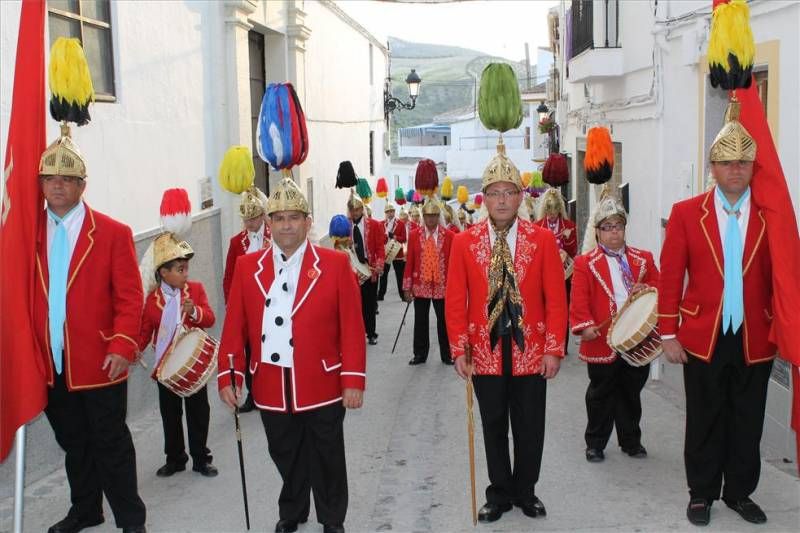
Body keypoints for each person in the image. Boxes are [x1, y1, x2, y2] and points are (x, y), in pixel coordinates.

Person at [218, 178, 366, 533]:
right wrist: (230, 374)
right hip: (270, 380)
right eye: (279, 218)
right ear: (269, 224)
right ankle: (294, 508)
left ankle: (332, 517)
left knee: (327, 453)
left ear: (307, 221)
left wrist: (353, 380)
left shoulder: (333, 264)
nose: (286, 225)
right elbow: (234, 326)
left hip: (322, 380)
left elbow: (351, 326)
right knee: (284, 451)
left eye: (293, 217)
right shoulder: (246, 267)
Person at [659, 101, 776, 527]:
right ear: (712, 166)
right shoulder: (687, 214)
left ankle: (740, 492)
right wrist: (668, 333)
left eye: (743, 161)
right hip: (703, 331)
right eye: (727, 162)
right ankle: (701, 493)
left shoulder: (771, 214)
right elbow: (670, 277)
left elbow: (784, 276)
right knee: (705, 417)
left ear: (753, 165)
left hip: (755, 333)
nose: (735, 169)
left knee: (747, 418)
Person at [33, 125, 147, 532]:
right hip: (49, 361)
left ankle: (131, 520)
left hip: (100, 359)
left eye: (66, 179)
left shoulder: (114, 233)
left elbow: (131, 297)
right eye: (49, 178)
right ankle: (86, 510)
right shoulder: (25, 234)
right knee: (74, 444)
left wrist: (122, 343)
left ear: (83, 185)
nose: (57, 186)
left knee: (110, 443)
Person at [446, 147, 567, 523]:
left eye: (508, 192)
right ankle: (498, 493)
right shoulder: (464, 243)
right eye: (494, 193)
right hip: (485, 351)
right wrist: (458, 349)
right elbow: (454, 299)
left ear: (520, 196)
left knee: (530, 426)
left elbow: (555, 298)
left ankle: (525, 490)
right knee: (493, 424)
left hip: (531, 349)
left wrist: (554, 349)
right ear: (485, 198)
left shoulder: (543, 240)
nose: (501, 200)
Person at [569, 190, 658, 463]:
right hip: (602, 339)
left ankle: (631, 441)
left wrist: (649, 288)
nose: (613, 233)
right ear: (597, 232)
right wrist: (584, 326)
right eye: (607, 228)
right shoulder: (585, 263)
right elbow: (579, 298)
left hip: (636, 338)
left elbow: (662, 287)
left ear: (624, 228)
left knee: (630, 392)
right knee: (601, 394)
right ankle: (595, 443)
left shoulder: (643, 259)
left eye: (618, 226)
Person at [138, 232, 218, 478]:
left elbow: (210, 318)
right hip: (166, 367)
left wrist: (194, 312)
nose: (186, 274)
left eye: (186, 269)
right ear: (164, 272)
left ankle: (200, 457)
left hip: (191, 364)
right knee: (169, 414)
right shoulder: (152, 301)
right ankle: (175, 458)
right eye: (180, 270)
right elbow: (144, 332)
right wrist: (132, 348)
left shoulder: (194, 290)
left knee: (198, 412)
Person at [222, 186, 271, 412]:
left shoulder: (275, 236)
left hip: (270, 303)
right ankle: (253, 393)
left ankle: (271, 388)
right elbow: (229, 276)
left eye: (253, 218)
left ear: (262, 215)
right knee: (250, 351)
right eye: (246, 219)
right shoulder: (236, 242)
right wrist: (231, 304)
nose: (250, 223)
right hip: (247, 306)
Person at [402, 198, 454, 366]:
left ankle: (448, 354)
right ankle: (420, 354)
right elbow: (409, 261)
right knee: (420, 320)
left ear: (438, 216)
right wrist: (407, 287)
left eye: (434, 216)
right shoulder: (415, 235)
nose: (431, 219)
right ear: (423, 216)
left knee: (444, 321)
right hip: (420, 284)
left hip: (442, 285)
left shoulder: (450, 236)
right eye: (428, 216)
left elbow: (453, 264)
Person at [535, 188, 578, 353]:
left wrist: (565, 248)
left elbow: (573, 250)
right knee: (543, 307)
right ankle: (543, 341)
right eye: (549, 209)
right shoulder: (537, 226)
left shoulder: (569, 226)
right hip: (543, 273)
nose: (552, 214)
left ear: (560, 208)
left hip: (564, 273)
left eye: (555, 209)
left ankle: (562, 344)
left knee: (563, 307)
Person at [347, 192, 385, 345]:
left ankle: (371, 333)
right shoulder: (346, 227)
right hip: (353, 270)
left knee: (369, 304)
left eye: (357, 209)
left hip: (369, 269)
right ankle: (356, 333)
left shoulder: (374, 225)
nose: (355, 213)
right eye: (352, 210)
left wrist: (379, 264)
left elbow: (380, 248)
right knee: (355, 304)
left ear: (362, 209)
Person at [378, 202, 406, 301]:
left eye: (392, 211)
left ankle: (403, 296)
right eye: (388, 212)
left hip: (397, 252)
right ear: (386, 213)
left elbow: (403, 239)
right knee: (383, 275)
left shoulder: (401, 223)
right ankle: (381, 295)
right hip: (386, 252)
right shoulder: (381, 224)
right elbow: (380, 238)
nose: (390, 213)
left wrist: (394, 236)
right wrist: (385, 237)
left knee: (400, 276)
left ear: (394, 212)